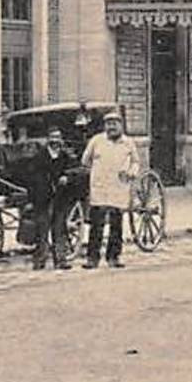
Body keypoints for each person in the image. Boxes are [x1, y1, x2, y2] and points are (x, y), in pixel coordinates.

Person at [81, 108, 141, 269]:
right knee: (96, 225)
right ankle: (92, 258)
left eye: (114, 124)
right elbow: (85, 161)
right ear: (104, 126)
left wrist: (131, 172)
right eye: (108, 124)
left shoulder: (128, 143)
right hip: (99, 187)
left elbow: (136, 162)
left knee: (116, 225)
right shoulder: (96, 141)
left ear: (121, 126)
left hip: (118, 187)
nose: (111, 127)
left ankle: (113, 256)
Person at [31, 125, 82, 271]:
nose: (55, 141)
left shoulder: (65, 156)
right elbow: (34, 177)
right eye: (53, 138)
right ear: (48, 140)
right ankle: (40, 259)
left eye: (58, 138)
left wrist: (66, 177)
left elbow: (73, 170)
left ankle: (60, 259)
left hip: (60, 198)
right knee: (42, 229)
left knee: (60, 228)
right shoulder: (39, 157)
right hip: (43, 198)